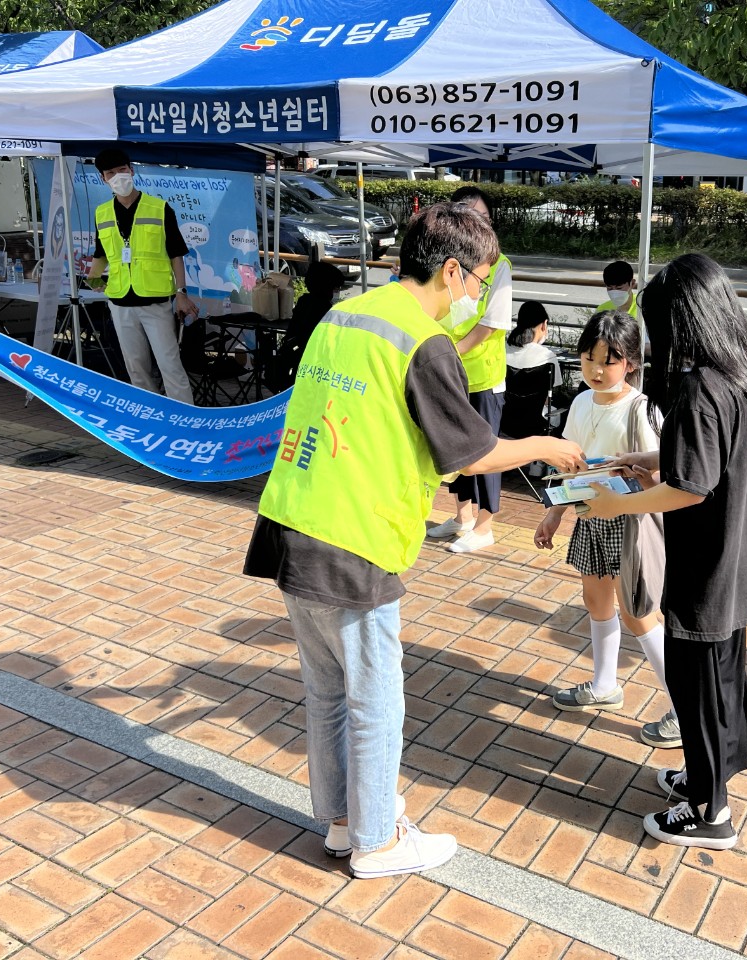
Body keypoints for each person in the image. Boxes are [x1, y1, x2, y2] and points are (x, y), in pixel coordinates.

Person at [244, 202, 584, 879]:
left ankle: (343, 821)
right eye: (479, 280)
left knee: (328, 692)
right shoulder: (421, 342)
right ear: (451, 270)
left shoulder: (345, 315)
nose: (478, 295)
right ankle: (377, 841)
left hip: (293, 520)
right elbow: (469, 450)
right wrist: (544, 445)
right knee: (376, 699)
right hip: (356, 537)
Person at [581, 254, 747, 850]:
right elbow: (706, 460)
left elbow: (691, 488)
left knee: (699, 686)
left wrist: (617, 504)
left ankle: (711, 813)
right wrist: (650, 460)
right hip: (735, 556)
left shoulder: (697, 386)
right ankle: (703, 777)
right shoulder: (741, 373)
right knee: (718, 678)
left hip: (706, 565)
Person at [533, 311, 677, 748]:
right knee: (596, 600)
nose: (596, 370)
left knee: (638, 614)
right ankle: (604, 684)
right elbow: (570, 465)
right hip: (590, 517)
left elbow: (664, 476)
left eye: (609, 361)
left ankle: (683, 706)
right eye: (589, 359)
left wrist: (632, 474)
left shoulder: (642, 408)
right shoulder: (581, 402)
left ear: (630, 362)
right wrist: (554, 513)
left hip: (630, 524)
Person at [425, 185, 514, 554]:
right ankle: (461, 517)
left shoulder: (499, 265)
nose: (480, 223)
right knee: (455, 447)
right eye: (472, 216)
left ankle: (485, 524)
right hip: (452, 374)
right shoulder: (447, 261)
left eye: (484, 217)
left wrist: (450, 354)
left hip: (483, 377)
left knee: (486, 450)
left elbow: (491, 324)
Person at [86, 148, 198, 405]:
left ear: (132, 170)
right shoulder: (102, 212)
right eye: (110, 173)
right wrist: (93, 278)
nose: (118, 177)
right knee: (136, 368)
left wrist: (181, 293)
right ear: (103, 178)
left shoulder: (159, 208)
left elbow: (176, 254)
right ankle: (151, 416)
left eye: (122, 170)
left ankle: (185, 419)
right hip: (120, 302)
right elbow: (101, 253)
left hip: (155, 301)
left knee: (169, 365)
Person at [267, 262, 347, 395]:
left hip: (294, 360)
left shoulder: (304, 302)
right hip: (312, 365)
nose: (336, 292)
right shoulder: (324, 309)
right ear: (328, 288)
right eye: (335, 288)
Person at [505, 300, 561, 388]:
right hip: (538, 397)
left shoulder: (501, 349)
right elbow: (553, 387)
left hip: (502, 397)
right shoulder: (548, 357)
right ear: (544, 324)